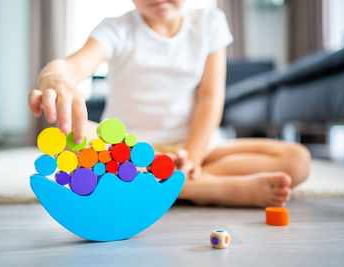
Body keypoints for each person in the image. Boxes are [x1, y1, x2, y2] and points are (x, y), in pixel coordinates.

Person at [28, 0, 310, 207]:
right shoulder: (116, 29)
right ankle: (207, 188)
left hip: (192, 146)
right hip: (126, 153)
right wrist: (55, 80)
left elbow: (211, 97)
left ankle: (171, 183)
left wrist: (193, 156)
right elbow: (70, 67)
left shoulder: (209, 22)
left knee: (298, 161)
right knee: (68, 138)